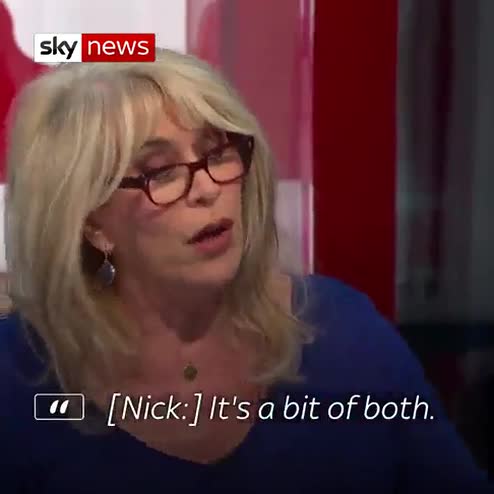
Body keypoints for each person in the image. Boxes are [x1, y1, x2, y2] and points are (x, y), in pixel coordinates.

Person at [0, 48, 491, 494]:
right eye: (161, 172)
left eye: (217, 153)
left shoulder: (342, 328)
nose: (207, 188)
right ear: (92, 225)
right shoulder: (16, 378)